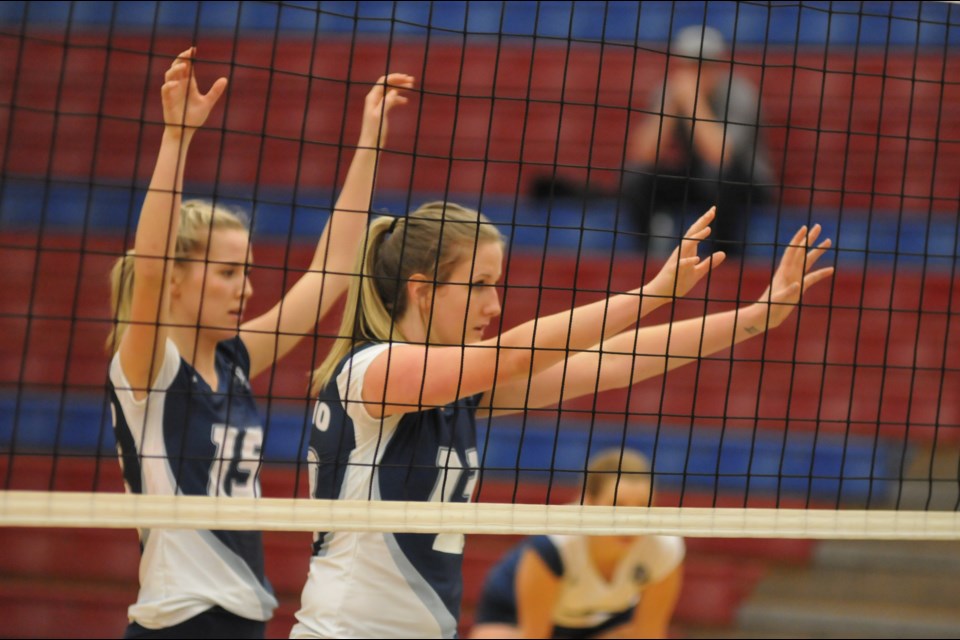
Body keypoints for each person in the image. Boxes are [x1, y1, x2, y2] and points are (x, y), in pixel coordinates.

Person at [291, 196, 832, 638]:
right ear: (423, 291)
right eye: (479, 284)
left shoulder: (456, 390)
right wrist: (651, 293)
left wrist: (756, 318)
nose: (494, 304)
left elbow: (616, 361)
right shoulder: (373, 370)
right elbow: (517, 352)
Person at [105, 45, 413, 638]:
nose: (245, 289)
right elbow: (149, 262)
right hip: (181, 620)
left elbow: (329, 273)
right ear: (174, 279)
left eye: (247, 272)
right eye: (227, 273)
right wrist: (176, 139)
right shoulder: (149, 369)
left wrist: (371, 140)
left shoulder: (235, 359)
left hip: (247, 617)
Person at [470, 449, 684, 639]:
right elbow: (534, 635)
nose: (631, 521)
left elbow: (649, 633)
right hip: (515, 617)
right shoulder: (554, 546)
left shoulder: (663, 547)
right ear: (588, 502)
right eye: (617, 505)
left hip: (602, 622)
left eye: (643, 506)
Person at [623, 25, 775, 255]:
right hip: (699, 176)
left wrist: (693, 102)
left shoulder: (740, 93)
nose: (697, 71)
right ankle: (646, 255)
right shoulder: (671, 92)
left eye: (704, 64)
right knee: (637, 178)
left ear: (719, 64)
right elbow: (642, 155)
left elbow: (720, 155)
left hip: (744, 181)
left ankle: (724, 257)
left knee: (719, 178)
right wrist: (672, 105)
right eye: (690, 64)